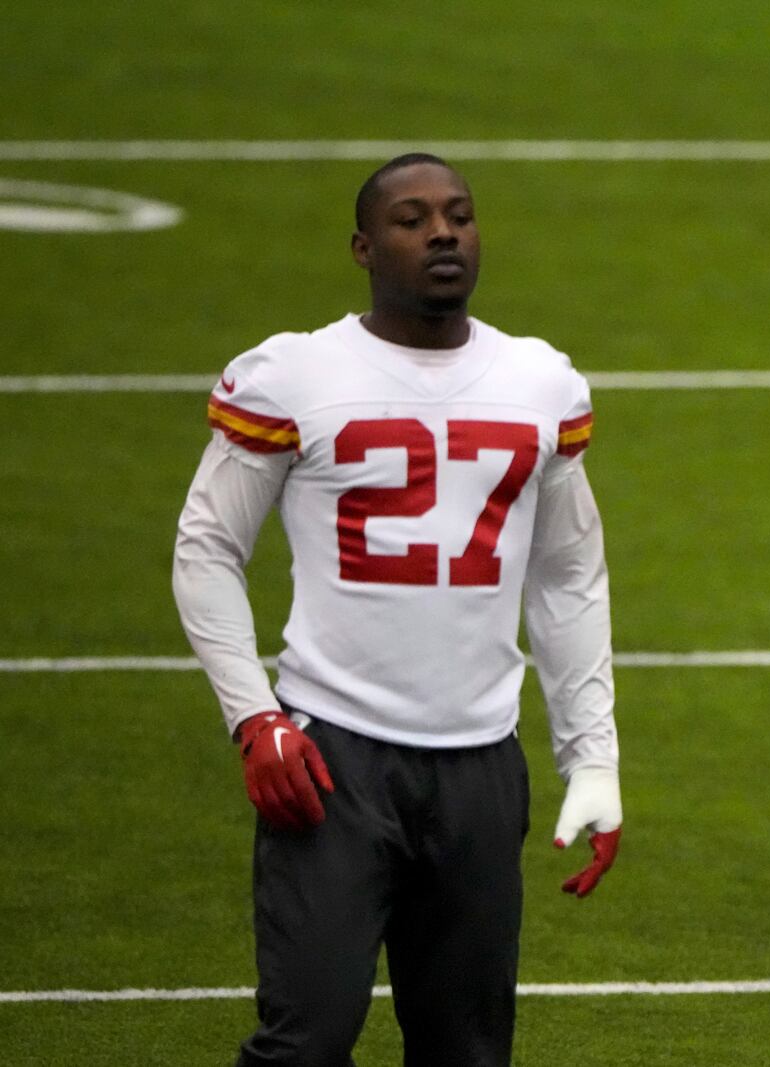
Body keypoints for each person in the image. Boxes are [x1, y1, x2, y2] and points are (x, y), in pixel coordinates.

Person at [173, 152, 623, 1066]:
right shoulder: (296, 374)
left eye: (458, 214)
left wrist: (594, 755)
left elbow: (569, 576)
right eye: (412, 219)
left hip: (481, 765)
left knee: (468, 1049)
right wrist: (253, 715)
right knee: (306, 1043)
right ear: (362, 247)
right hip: (335, 760)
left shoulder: (539, 381)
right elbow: (207, 548)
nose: (443, 232)